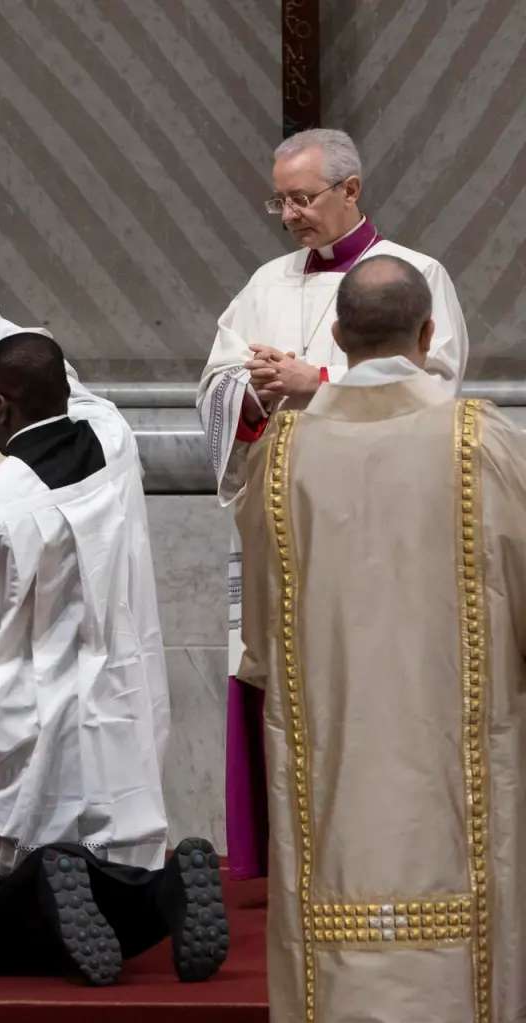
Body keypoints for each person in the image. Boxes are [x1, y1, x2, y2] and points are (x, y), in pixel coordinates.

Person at [0, 259, 225, 987]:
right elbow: (40, 361)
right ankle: (167, 889)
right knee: (113, 863)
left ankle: (43, 881)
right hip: (120, 715)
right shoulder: (114, 438)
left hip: (33, 727)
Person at [236, 255, 524, 1022]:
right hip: (456, 773)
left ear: (335, 334)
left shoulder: (280, 460)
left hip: (333, 767)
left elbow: (261, 639)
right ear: (429, 334)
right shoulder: (485, 446)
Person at [196, 128, 469, 882]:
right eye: (279, 199)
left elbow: (436, 386)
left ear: (351, 190)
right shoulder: (267, 284)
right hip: (287, 513)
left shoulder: (416, 275)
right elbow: (215, 382)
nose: (288, 215)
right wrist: (251, 389)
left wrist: (318, 381)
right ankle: (288, 849)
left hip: (380, 522)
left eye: (302, 198)